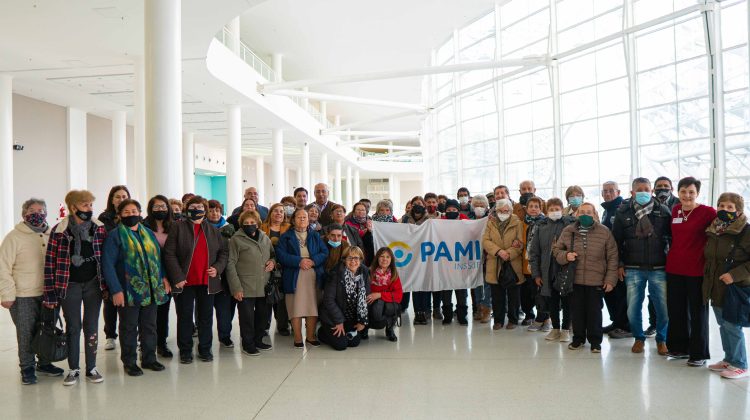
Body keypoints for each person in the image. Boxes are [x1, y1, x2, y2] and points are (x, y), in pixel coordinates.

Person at [43, 190, 107, 386]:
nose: (89, 209)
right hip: (68, 285)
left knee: (91, 325)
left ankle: (92, 367)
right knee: (73, 327)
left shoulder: (99, 228)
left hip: (93, 284)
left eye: (90, 205)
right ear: (73, 207)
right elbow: (49, 264)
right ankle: (73, 369)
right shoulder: (59, 230)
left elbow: (106, 258)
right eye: (85, 205)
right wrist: (50, 295)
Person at [0, 198, 65, 384]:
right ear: (24, 214)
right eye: (32, 210)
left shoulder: (51, 234)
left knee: (47, 330)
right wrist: (6, 294)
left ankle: (44, 363)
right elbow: (3, 267)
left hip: (48, 293)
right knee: (26, 333)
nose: (37, 213)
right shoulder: (14, 237)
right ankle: (27, 368)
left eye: (41, 210)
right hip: (23, 295)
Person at [102, 199, 168, 377]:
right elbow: (107, 264)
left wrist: (163, 278)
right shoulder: (115, 236)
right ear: (120, 215)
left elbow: (157, 258)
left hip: (151, 289)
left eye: (134, 211)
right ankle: (129, 362)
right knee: (129, 327)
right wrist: (115, 290)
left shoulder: (148, 232)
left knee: (149, 325)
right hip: (127, 290)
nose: (131, 215)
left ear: (140, 213)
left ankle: (149, 358)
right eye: (127, 212)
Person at [163, 195, 228, 364]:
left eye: (200, 207)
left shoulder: (213, 230)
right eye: (193, 207)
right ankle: (185, 351)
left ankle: (205, 349)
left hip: (207, 281)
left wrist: (218, 267)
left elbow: (223, 252)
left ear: (205, 211)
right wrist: (177, 276)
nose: (196, 210)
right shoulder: (177, 227)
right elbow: (169, 253)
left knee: (206, 317)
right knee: (184, 317)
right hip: (184, 282)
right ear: (186, 209)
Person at [612, 178, 671, 356]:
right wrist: (619, 264)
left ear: (652, 191)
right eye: (639, 189)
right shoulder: (623, 212)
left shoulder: (663, 211)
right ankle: (638, 338)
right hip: (633, 267)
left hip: (659, 267)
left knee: (662, 307)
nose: (643, 192)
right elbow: (616, 242)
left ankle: (662, 339)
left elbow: (671, 238)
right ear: (632, 193)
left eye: (646, 189)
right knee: (633, 307)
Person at [553, 203, 618, 353]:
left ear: (595, 214)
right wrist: (565, 256)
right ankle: (578, 339)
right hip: (574, 280)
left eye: (589, 212)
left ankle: (595, 341)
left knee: (594, 312)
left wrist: (610, 280)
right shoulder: (568, 230)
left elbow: (613, 257)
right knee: (577, 311)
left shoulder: (604, 232)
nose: (585, 215)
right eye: (582, 212)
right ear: (576, 214)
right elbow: (556, 250)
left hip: (596, 280)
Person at [666, 177, 715, 365]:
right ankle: (679, 348)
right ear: (678, 192)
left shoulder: (707, 212)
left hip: (697, 269)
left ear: (697, 194)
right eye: (684, 191)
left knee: (698, 312)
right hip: (674, 268)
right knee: (676, 310)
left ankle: (699, 354)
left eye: (691, 192)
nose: (687, 195)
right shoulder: (675, 210)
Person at [704, 192, 750, 379]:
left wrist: (734, 275)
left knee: (733, 325)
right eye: (721, 206)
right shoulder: (714, 230)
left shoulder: (746, 231)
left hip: (735, 287)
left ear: (738, 211)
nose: (724, 210)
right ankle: (729, 358)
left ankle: (740, 364)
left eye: (729, 207)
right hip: (716, 286)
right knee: (723, 324)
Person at [275, 209, 329, 348]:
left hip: (313, 274)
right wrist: (299, 261)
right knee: (296, 307)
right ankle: (298, 337)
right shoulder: (286, 237)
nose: (302, 219)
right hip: (294, 274)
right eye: (299, 217)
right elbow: (280, 255)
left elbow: (324, 252)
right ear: (293, 220)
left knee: (312, 306)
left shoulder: (315, 236)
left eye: (304, 217)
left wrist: (313, 261)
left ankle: (311, 336)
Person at [226, 210, 275, 356]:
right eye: (246, 223)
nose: (250, 225)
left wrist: (272, 262)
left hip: (263, 284)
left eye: (252, 223)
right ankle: (248, 344)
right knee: (247, 317)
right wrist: (236, 288)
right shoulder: (236, 239)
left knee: (262, 315)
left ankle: (258, 339)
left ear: (258, 223)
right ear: (241, 225)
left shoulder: (265, 237)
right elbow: (230, 264)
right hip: (245, 286)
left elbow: (273, 254)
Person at [529, 198, 575, 342]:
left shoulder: (570, 225)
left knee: (567, 300)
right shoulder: (541, 227)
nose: (554, 212)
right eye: (551, 209)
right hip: (547, 270)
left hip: (565, 268)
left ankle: (566, 329)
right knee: (552, 300)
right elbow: (534, 252)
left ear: (562, 209)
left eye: (557, 209)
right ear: (546, 211)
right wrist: (536, 274)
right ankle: (555, 329)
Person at [482, 199, 524, 330]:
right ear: (496, 211)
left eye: (506, 211)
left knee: (513, 295)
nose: (503, 213)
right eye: (500, 211)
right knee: (497, 295)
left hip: (513, 263)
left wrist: (509, 253)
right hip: (495, 263)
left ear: (511, 211)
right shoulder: (490, 222)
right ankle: (498, 320)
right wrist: (499, 251)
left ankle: (513, 319)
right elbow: (485, 240)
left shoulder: (517, 222)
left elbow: (520, 242)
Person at [142, 195, 175, 358]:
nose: (160, 209)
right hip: (150, 274)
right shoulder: (143, 226)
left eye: (163, 206)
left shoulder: (174, 226)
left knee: (163, 311)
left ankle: (161, 343)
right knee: (147, 313)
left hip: (171, 274)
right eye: (156, 207)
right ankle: (145, 344)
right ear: (150, 209)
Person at [318, 246, 370, 350]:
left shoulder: (364, 272)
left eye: (356, 258)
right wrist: (338, 321)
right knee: (341, 345)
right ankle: (322, 332)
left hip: (350, 317)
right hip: (332, 316)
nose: (353, 261)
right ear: (344, 259)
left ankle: (343, 331)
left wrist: (362, 320)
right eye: (350, 258)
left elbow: (365, 298)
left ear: (360, 260)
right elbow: (329, 300)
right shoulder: (335, 273)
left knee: (354, 342)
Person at [98, 185, 130, 351]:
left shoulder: (133, 215)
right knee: (110, 303)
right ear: (112, 199)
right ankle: (110, 335)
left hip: (129, 266)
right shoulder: (104, 219)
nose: (121, 199)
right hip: (110, 263)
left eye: (124, 196)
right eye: (117, 196)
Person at [600, 181, 630, 338]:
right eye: (605, 191)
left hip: (620, 260)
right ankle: (616, 322)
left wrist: (621, 262)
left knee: (621, 294)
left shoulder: (622, 209)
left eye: (611, 190)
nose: (608, 193)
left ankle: (626, 325)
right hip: (607, 260)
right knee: (610, 292)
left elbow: (622, 238)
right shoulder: (606, 210)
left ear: (618, 192)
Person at [208, 200, 238, 349]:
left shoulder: (229, 228)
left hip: (225, 274)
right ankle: (204, 337)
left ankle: (225, 336)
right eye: (211, 210)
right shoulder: (202, 228)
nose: (214, 213)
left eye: (217, 210)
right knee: (204, 311)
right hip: (207, 275)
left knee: (225, 309)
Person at [261, 203, 291, 336]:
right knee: (267, 296)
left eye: (281, 211)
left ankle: (282, 325)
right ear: (270, 213)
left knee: (282, 298)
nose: (278, 213)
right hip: (266, 267)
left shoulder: (289, 228)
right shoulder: (262, 227)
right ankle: (264, 325)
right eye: (275, 211)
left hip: (284, 267)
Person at [439, 199, 469, 325]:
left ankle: (462, 315)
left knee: (461, 291)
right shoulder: (439, 223)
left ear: (458, 211)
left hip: (460, 262)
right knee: (446, 291)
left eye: (454, 210)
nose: (451, 212)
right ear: (445, 211)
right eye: (449, 210)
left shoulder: (465, 221)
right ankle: (447, 315)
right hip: (445, 262)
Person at [402, 196, 431, 324]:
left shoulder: (430, 220)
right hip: (411, 256)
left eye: (420, 203)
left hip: (426, 256)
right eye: (415, 203)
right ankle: (417, 312)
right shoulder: (404, 219)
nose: (417, 205)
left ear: (424, 205)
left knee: (424, 285)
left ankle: (425, 312)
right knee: (415, 284)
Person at [522, 197, 549, 331]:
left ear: (541, 208)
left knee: (542, 293)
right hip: (527, 264)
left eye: (536, 206)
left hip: (541, 264)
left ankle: (544, 319)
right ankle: (539, 317)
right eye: (531, 206)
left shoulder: (545, 223)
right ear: (526, 209)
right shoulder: (524, 223)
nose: (533, 209)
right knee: (533, 293)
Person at [366, 247, 403, 342]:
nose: (385, 259)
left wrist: (380, 295)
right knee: (374, 308)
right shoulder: (369, 272)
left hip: (385, 301)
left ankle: (390, 328)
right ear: (377, 258)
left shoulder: (394, 274)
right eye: (382, 256)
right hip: (370, 301)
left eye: (388, 257)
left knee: (392, 307)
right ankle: (364, 327)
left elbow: (398, 295)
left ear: (391, 260)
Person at [470, 194, 492, 323]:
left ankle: (487, 309)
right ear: (472, 207)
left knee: (488, 284)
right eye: (476, 205)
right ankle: (478, 307)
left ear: (486, 207)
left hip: (487, 257)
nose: (479, 208)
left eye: (482, 206)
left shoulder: (490, 220)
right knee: (477, 285)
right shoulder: (468, 220)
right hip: (473, 258)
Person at [345, 202, 375, 266]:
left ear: (366, 211)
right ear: (354, 211)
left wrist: (370, 231)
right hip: (355, 252)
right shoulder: (348, 222)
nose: (360, 211)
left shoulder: (371, 222)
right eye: (358, 209)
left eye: (363, 210)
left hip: (369, 252)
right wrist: (359, 234)